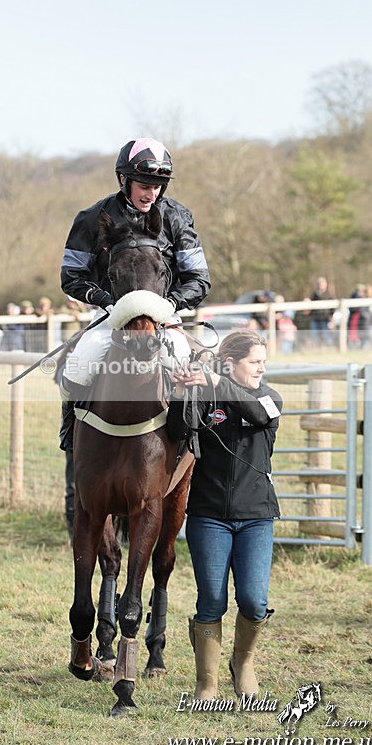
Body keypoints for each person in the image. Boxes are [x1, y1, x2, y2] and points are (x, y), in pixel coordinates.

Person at [58, 137, 211, 450]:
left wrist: (170, 304)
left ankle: (192, 443)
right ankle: (72, 433)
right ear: (123, 179)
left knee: (186, 366)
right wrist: (105, 301)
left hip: (164, 315)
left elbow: (199, 279)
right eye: (144, 185)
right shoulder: (90, 218)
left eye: (158, 186)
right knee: (79, 365)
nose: (151, 193)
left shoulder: (178, 218)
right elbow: (71, 276)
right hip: (110, 315)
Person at [166, 330, 283, 700]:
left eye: (263, 361)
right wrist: (182, 394)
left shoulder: (269, 398)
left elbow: (258, 413)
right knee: (211, 601)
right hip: (208, 515)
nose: (261, 368)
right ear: (232, 363)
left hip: (256, 516)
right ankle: (207, 683)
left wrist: (215, 380)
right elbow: (176, 432)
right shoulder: (206, 395)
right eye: (255, 362)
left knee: (253, 600)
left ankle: (243, 664)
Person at [308, 276, 334, 347]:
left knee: (326, 338)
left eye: (322, 284)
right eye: (319, 284)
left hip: (325, 320)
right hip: (315, 319)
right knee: (315, 338)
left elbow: (332, 309)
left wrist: (331, 319)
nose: (320, 285)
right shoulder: (314, 295)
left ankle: (328, 350)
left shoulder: (329, 295)